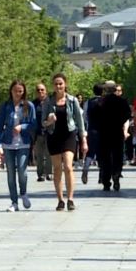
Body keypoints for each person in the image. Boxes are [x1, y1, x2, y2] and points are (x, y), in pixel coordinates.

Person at [40, 73, 87, 211]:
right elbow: (43, 123)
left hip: (69, 135)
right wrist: (49, 121)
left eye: (60, 83)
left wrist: (84, 139)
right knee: (57, 169)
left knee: (68, 166)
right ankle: (60, 199)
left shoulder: (72, 100)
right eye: (56, 84)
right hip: (53, 135)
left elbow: (80, 121)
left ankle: (70, 199)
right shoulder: (48, 102)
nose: (58, 86)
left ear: (65, 84)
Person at [0, 80, 37, 211]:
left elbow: (34, 124)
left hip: (23, 143)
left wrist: (22, 127)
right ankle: (14, 202)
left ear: (24, 92)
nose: (18, 94)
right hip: (8, 143)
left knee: (22, 172)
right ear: (11, 91)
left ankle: (23, 193)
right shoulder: (5, 106)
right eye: (15, 91)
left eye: (20, 91)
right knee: (10, 174)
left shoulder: (29, 106)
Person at [98, 81, 132, 192]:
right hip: (117, 131)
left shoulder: (101, 102)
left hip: (104, 132)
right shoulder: (121, 101)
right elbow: (128, 114)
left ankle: (106, 181)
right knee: (118, 156)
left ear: (106, 90)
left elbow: (94, 116)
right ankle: (116, 175)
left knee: (105, 157)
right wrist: (120, 121)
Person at [81, 83, 103, 185]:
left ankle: (86, 167)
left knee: (90, 152)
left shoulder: (88, 102)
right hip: (103, 130)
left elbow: (84, 116)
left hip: (92, 129)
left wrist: (88, 124)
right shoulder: (105, 101)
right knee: (102, 153)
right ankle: (101, 176)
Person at [32, 82, 52, 182]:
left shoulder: (51, 102)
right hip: (38, 133)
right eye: (38, 90)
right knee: (39, 155)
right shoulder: (33, 104)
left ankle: (49, 173)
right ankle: (41, 174)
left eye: (42, 90)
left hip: (49, 132)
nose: (40, 91)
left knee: (49, 154)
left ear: (46, 91)